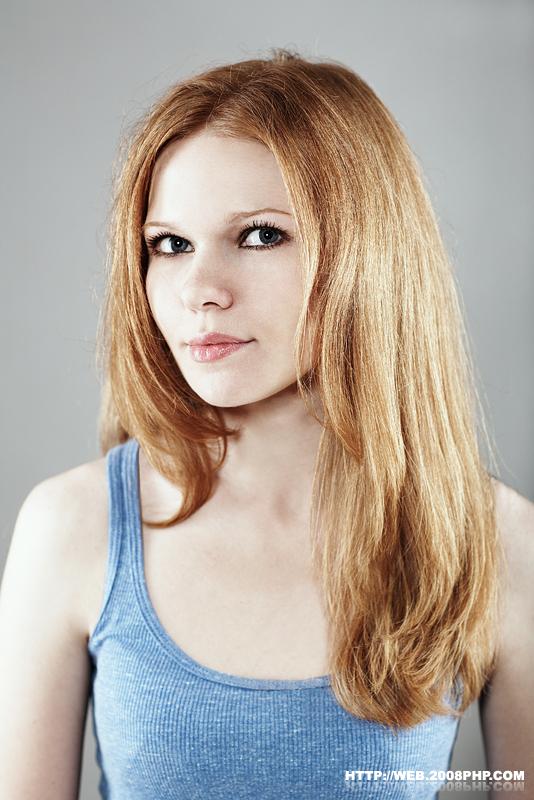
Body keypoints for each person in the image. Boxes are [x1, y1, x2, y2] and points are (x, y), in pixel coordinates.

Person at [0, 48, 532, 800]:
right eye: (170, 244)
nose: (200, 289)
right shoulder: (71, 527)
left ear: (369, 254)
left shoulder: (500, 544)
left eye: (259, 235)